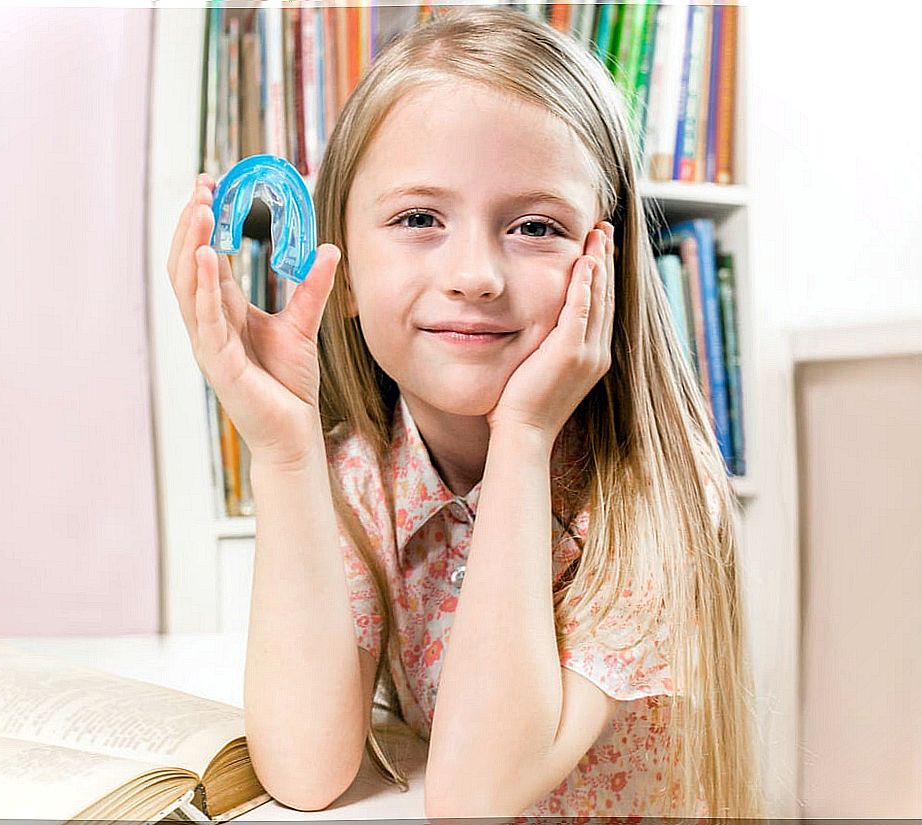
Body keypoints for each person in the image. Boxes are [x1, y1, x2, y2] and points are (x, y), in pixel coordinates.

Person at [166, 6, 763, 820]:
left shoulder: (649, 496)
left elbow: (472, 800)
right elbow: (305, 770)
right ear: (337, 259)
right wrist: (284, 451)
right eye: (419, 219)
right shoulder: (360, 477)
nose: (475, 273)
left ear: (607, 263)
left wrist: (524, 440)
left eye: (534, 225)